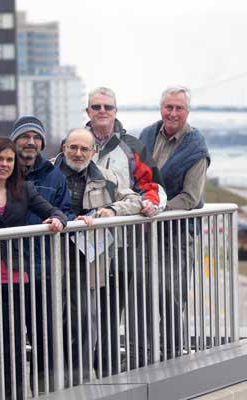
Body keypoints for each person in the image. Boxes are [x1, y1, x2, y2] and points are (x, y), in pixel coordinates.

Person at [0, 137, 67, 400]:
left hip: (18, 279)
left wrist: (57, 220)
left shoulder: (25, 190)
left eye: (9, 159)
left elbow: (54, 211)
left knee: (14, 344)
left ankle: (14, 394)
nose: (4, 164)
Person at [53, 128, 164, 382]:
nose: (78, 153)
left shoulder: (107, 176)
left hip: (88, 263)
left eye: (84, 149)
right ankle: (52, 383)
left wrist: (112, 210)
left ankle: (76, 383)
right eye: (73, 147)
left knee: (84, 321)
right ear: (64, 148)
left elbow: (135, 200)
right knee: (51, 324)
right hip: (49, 260)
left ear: (93, 152)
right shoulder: (47, 172)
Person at [85, 87, 165, 374]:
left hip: (124, 246)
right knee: (83, 315)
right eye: (96, 107)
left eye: (108, 106)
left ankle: (107, 376)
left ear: (116, 111)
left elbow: (152, 186)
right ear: (88, 112)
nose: (102, 111)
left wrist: (149, 204)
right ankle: (85, 374)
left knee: (109, 316)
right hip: (83, 248)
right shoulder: (74, 143)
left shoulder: (132, 146)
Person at [139, 86, 211, 359]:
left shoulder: (196, 146)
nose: (173, 113)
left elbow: (191, 197)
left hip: (176, 233)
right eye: (168, 107)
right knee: (145, 296)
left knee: (171, 297)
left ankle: (171, 355)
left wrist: (158, 209)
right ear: (161, 108)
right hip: (144, 231)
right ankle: (145, 355)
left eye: (179, 108)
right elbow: (136, 177)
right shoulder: (146, 135)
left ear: (187, 112)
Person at [10, 115, 73, 393]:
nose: (31, 142)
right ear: (14, 141)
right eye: (25, 136)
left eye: (36, 138)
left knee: (44, 338)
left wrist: (59, 219)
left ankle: (43, 392)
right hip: (8, 269)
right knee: (8, 338)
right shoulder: (1, 170)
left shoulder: (54, 176)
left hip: (42, 269)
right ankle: (13, 391)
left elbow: (66, 210)